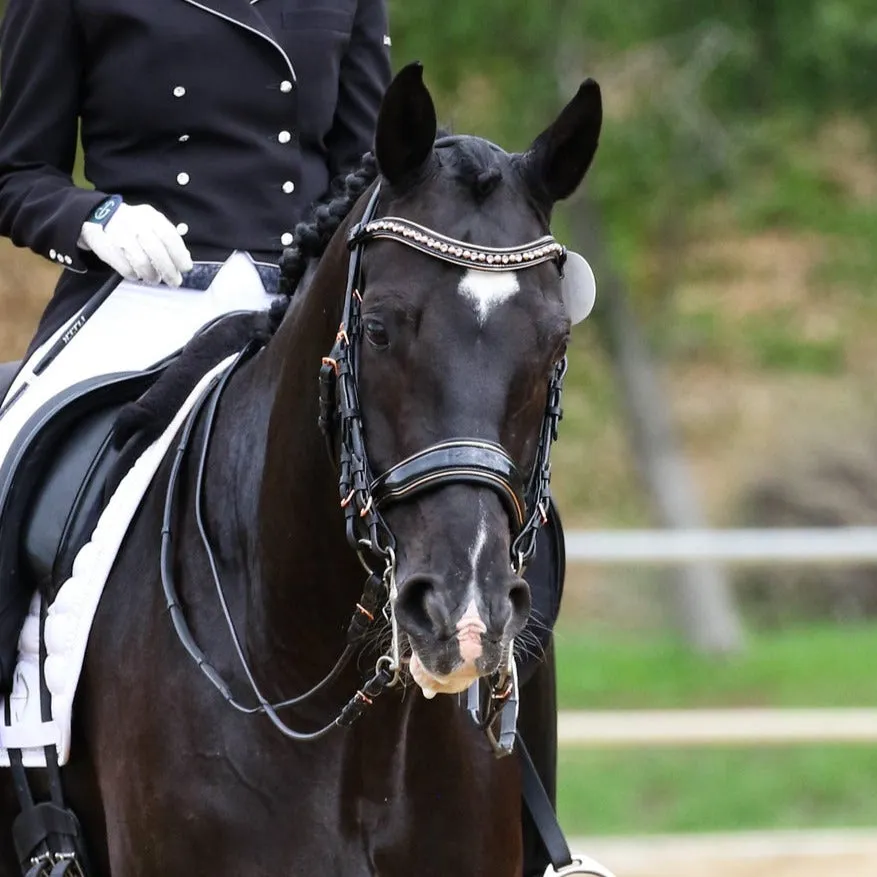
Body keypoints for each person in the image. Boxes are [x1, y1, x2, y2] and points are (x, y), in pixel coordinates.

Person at [0, 3, 562, 873]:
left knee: (506, 513)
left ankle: (536, 834)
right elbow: (16, 170)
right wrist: (92, 218)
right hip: (136, 293)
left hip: (299, 299)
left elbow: (373, 174)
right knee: (15, 472)